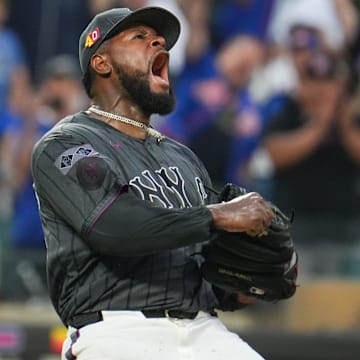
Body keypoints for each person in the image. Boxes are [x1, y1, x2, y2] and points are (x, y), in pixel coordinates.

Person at [31, 6, 275, 360]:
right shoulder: (65, 144)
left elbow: (199, 265)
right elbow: (115, 226)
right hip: (117, 330)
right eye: (139, 37)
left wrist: (244, 287)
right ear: (102, 63)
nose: (159, 42)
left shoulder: (183, 158)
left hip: (204, 329)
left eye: (158, 38)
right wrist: (218, 215)